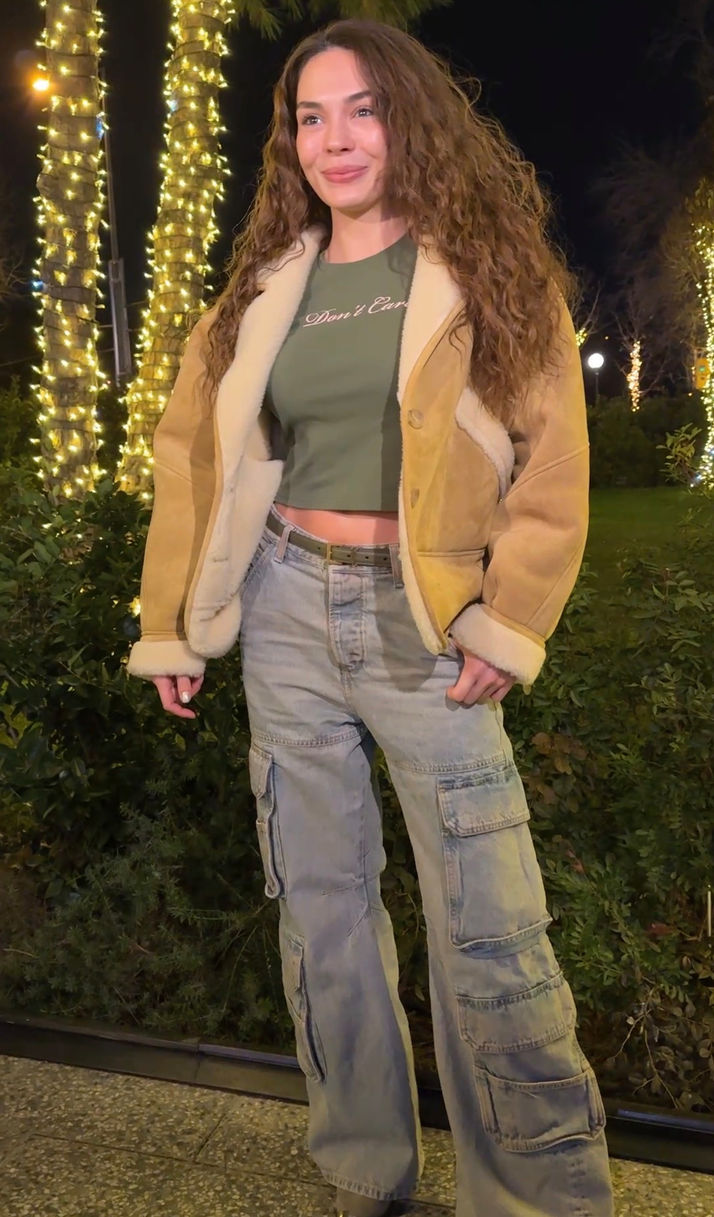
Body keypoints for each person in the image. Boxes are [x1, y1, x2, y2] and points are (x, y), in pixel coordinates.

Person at [127, 18, 614, 1217]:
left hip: (427, 621)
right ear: (289, 140)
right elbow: (192, 458)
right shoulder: (263, 288)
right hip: (284, 605)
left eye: (363, 110)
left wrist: (508, 618)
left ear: (410, 122)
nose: (335, 139)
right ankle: (366, 1172)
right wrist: (174, 622)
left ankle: (539, 1197)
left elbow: (553, 463)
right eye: (311, 116)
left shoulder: (487, 274)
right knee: (321, 909)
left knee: (492, 929)